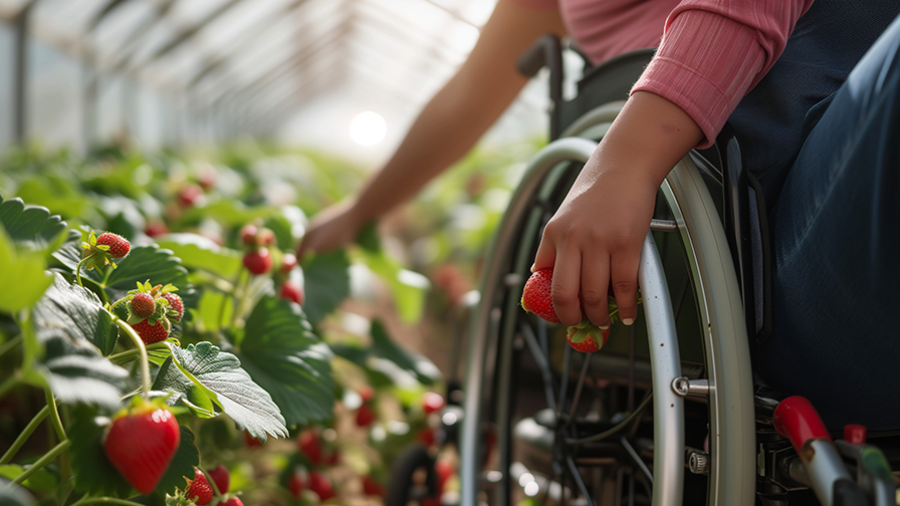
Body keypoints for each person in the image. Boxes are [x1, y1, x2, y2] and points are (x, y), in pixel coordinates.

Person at [301, 0, 900, 428]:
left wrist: (630, 158)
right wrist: (362, 210)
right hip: (772, 259)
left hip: (800, 194)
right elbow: (467, 95)